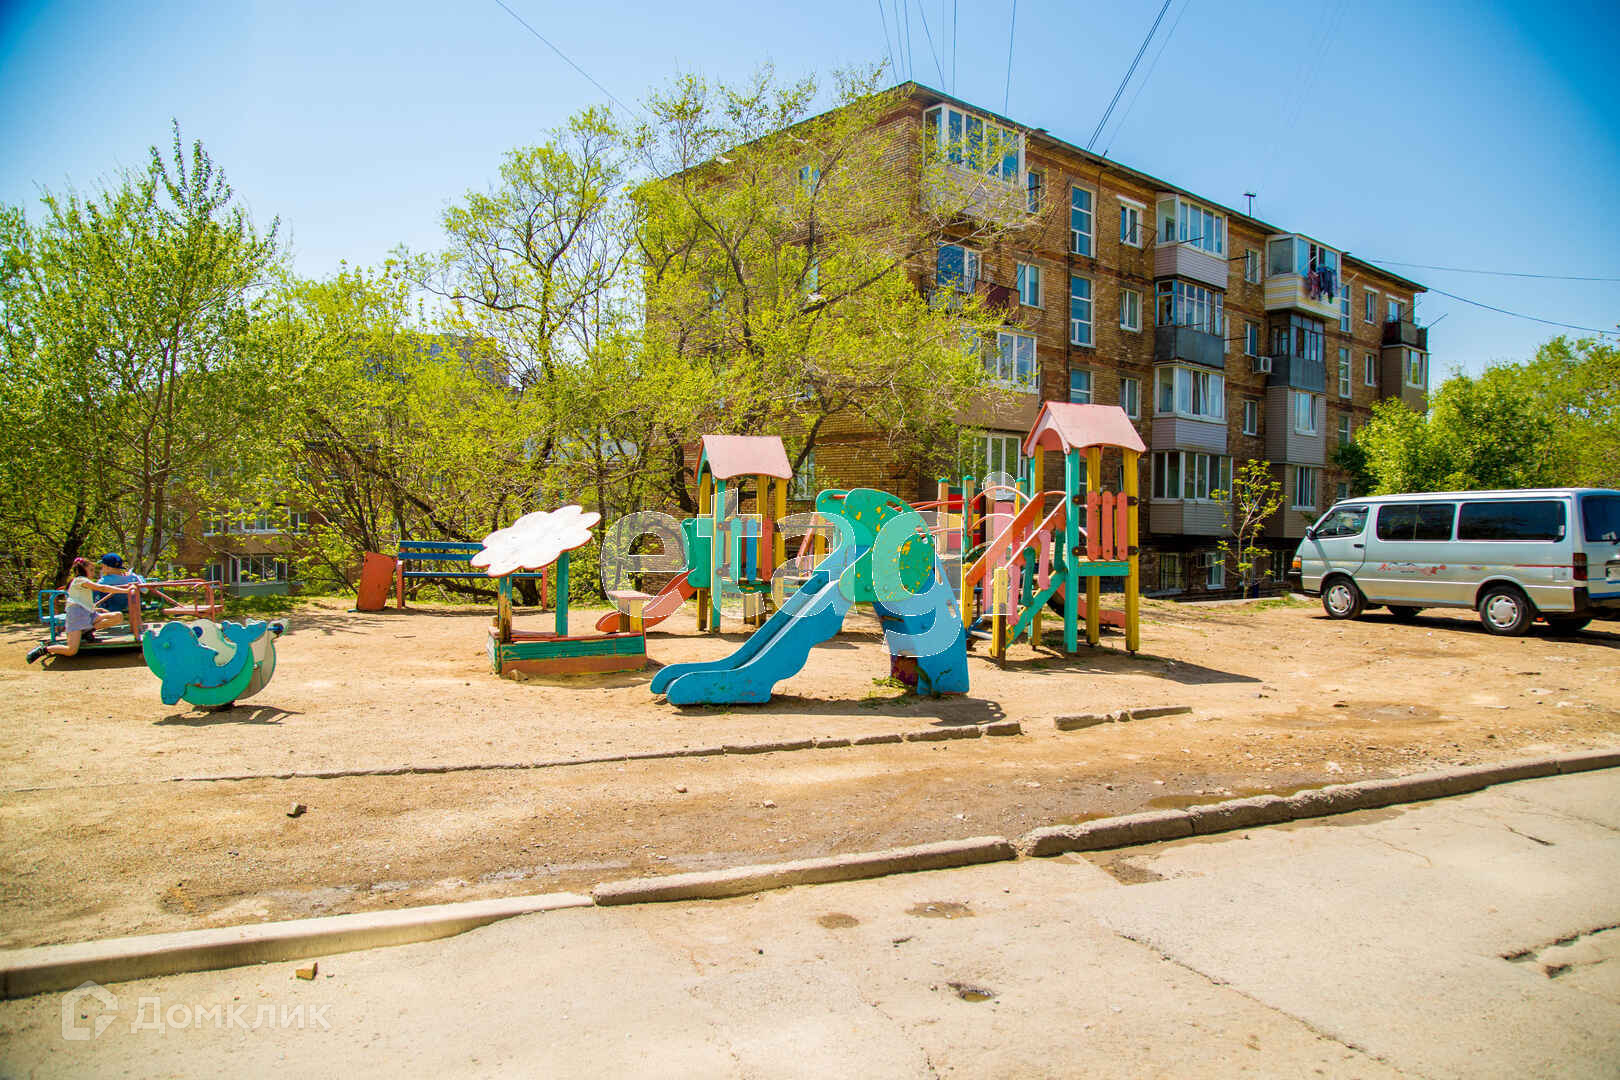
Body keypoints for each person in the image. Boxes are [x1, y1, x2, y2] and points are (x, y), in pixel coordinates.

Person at [25, 557, 127, 662]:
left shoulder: (83, 581)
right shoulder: (80, 580)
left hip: (89, 615)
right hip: (77, 617)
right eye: (91, 570)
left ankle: (87, 632)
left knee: (118, 616)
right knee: (71, 650)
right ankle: (44, 649)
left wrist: (97, 608)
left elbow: (83, 600)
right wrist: (126, 591)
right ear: (83, 569)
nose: (93, 573)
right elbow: (103, 588)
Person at [94, 553, 145, 629]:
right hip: (130, 605)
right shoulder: (132, 577)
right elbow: (145, 590)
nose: (101, 568)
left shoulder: (104, 580)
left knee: (98, 595)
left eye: (103, 566)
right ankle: (138, 624)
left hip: (110, 607)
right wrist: (137, 576)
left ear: (108, 568)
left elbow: (95, 589)